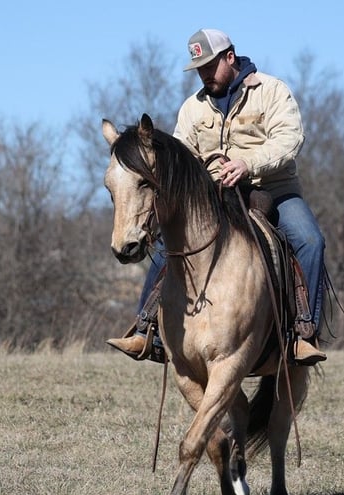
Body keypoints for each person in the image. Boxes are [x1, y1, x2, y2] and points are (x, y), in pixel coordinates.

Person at [107, 28, 327, 365]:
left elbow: (289, 139)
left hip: (273, 190)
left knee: (309, 240)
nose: (204, 74)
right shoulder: (192, 108)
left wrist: (247, 163)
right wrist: (207, 176)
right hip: (214, 196)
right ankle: (145, 330)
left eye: (210, 66)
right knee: (169, 243)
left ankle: (302, 333)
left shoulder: (271, 91)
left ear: (230, 57)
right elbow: (182, 159)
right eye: (199, 69)